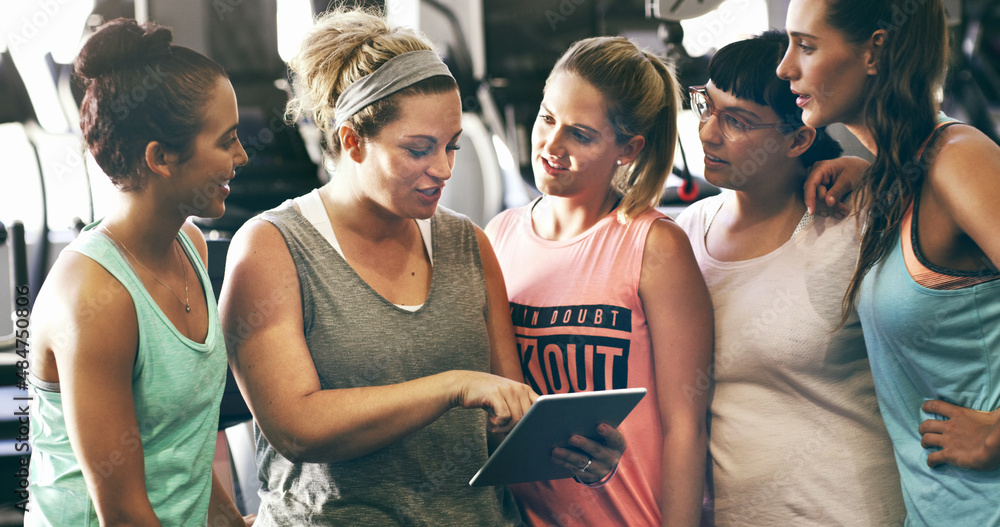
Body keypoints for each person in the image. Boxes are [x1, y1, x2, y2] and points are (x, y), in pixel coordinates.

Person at [218, 8, 556, 525]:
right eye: (419, 150)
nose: (442, 169)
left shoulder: (468, 244)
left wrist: (565, 448)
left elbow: (503, 419)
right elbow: (297, 428)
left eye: (452, 147)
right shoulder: (272, 248)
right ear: (353, 142)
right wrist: (452, 386)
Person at [779, 0, 1000, 524]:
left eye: (806, 46)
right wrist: (877, 174)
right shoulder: (904, 173)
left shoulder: (958, 159)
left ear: (875, 51)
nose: (786, 67)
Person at [26, 18, 251, 526]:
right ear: (161, 157)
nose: (241, 156)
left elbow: (181, 448)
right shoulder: (91, 298)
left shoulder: (191, 246)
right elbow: (124, 515)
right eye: (227, 140)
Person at [674, 31, 904, 525]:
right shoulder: (681, 238)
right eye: (706, 107)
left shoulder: (853, 226)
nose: (708, 133)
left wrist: (876, 175)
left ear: (798, 138)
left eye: (736, 121)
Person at [486, 36, 714, 526]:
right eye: (547, 118)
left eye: (580, 135)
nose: (551, 146)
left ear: (628, 149)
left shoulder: (655, 247)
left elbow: (686, 429)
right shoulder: (497, 237)